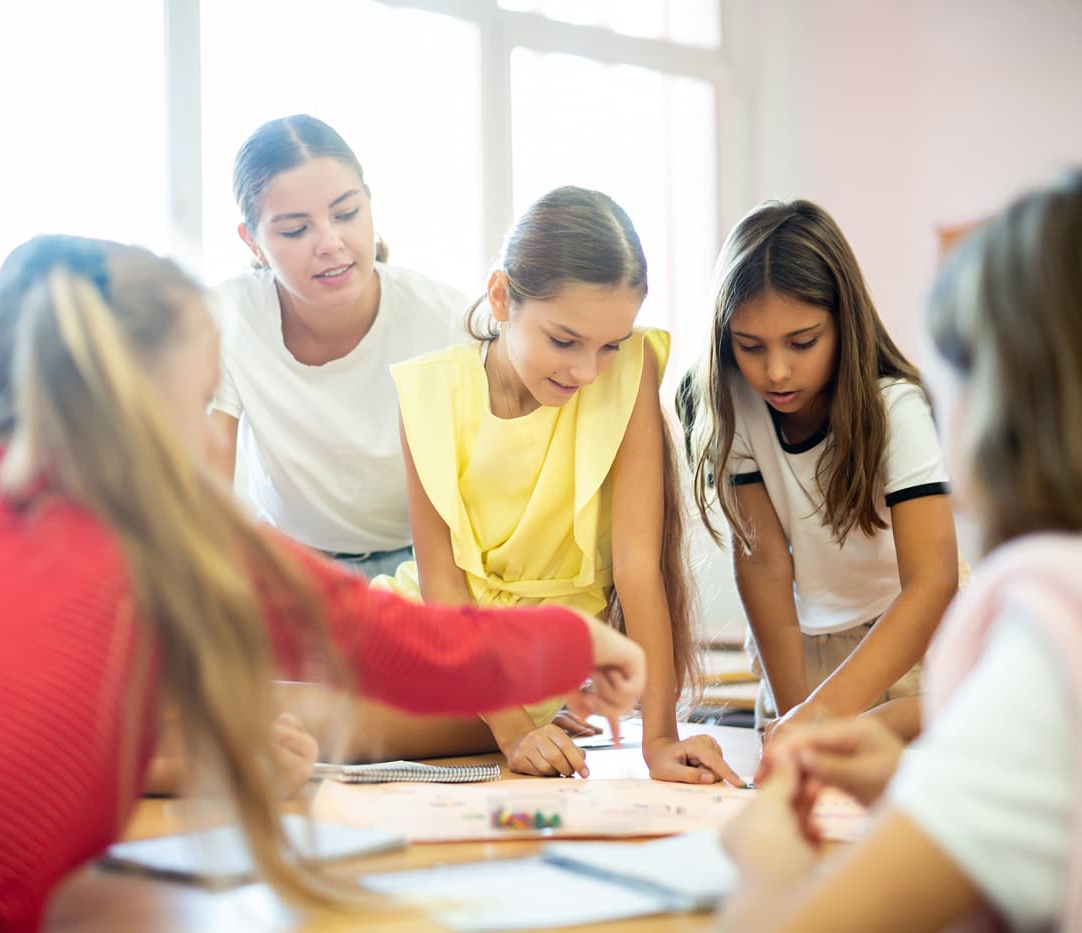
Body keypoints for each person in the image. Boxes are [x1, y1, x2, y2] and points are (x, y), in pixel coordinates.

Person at [0, 235, 646, 933]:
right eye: (198, 400)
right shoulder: (156, 525)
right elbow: (396, 643)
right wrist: (582, 643)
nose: (205, 431)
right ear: (139, 401)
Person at [719, 172, 1082, 932]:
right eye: (752, 347)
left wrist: (767, 858)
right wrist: (905, 781)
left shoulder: (1051, 632)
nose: (775, 369)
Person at [373, 186, 738, 785]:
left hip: (513, 678)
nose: (586, 370)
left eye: (608, 346)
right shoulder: (429, 393)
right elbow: (440, 585)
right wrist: (515, 733)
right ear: (500, 298)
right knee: (236, 672)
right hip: (424, 627)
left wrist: (661, 740)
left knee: (294, 718)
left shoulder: (628, 373)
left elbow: (638, 569)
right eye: (564, 341)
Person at [686, 199, 959, 740]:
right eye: (750, 346)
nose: (777, 370)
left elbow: (932, 582)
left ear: (844, 323)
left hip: (911, 645)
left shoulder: (896, 409)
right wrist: (798, 715)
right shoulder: (732, 404)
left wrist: (821, 716)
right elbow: (763, 564)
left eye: (802, 342)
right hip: (803, 650)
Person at [208, 114, 468, 580]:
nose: (331, 243)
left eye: (347, 214)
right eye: (294, 230)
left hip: (424, 563)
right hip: (290, 567)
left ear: (369, 204)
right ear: (254, 242)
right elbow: (203, 490)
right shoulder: (229, 317)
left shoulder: (445, 318)